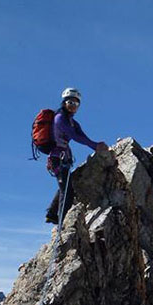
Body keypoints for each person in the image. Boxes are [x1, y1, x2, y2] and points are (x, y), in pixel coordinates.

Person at [45, 88, 107, 224]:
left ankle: (51, 213)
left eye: (76, 103)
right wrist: (95, 146)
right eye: (70, 102)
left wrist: (95, 145)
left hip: (63, 158)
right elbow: (74, 136)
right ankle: (62, 222)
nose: (73, 106)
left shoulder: (72, 122)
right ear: (64, 102)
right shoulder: (60, 118)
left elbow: (82, 136)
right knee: (67, 191)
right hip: (57, 159)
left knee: (66, 185)